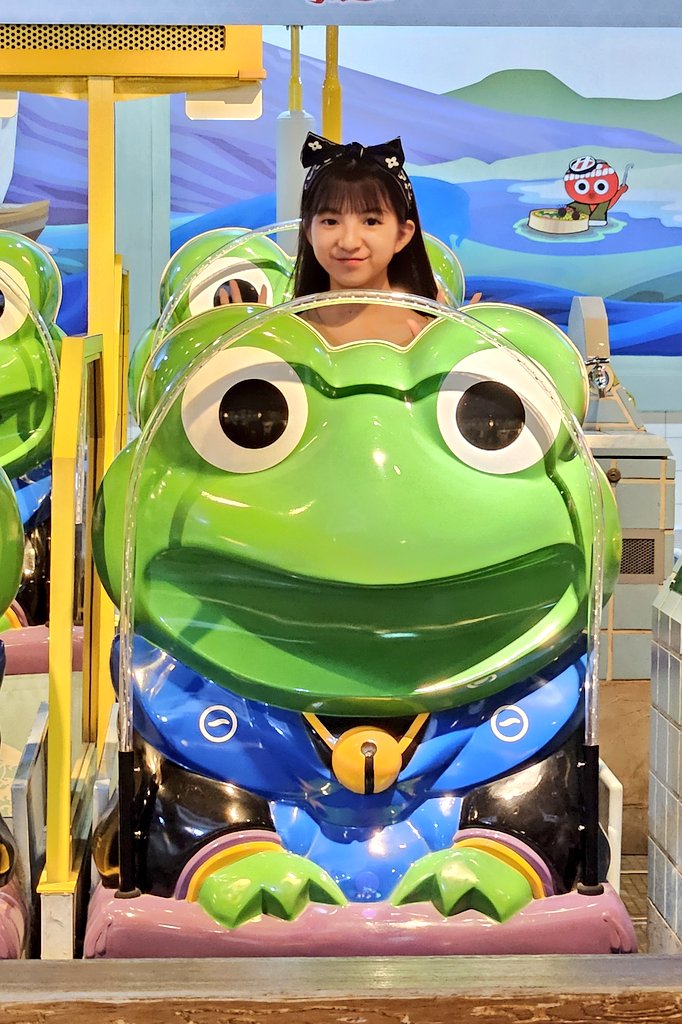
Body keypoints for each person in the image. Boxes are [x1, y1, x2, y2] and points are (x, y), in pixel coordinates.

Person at [291, 132, 439, 347]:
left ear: (402, 235)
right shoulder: (282, 336)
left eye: (370, 221)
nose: (349, 242)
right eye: (331, 221)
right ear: (308, 232)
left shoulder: (435, 337)